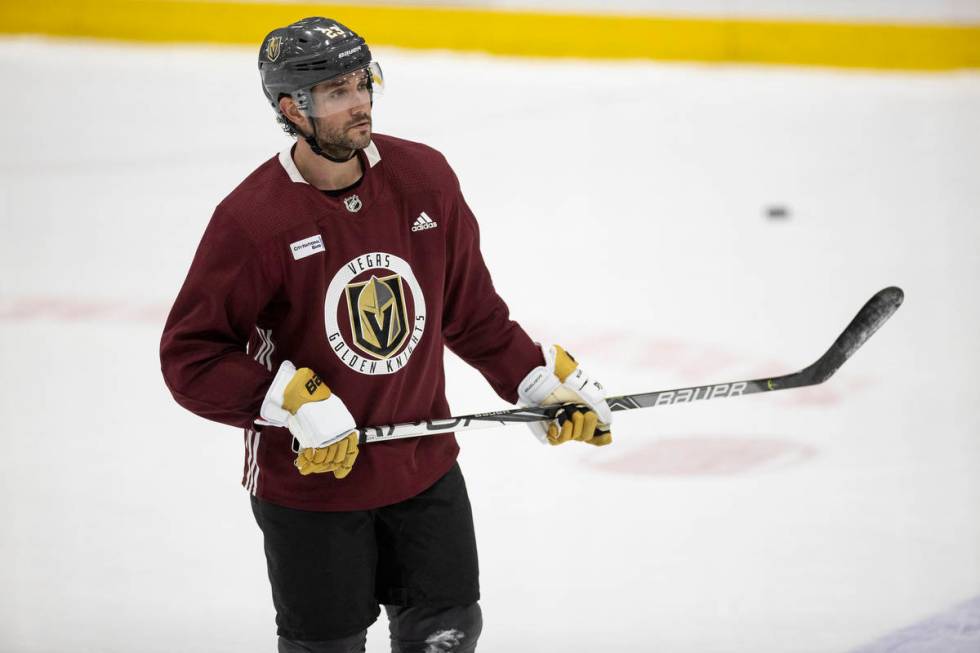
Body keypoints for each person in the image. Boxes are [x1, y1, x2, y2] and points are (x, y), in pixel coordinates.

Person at [159, 16, 613, 653]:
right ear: (293, 108)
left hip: (423, 468)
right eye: (338, 93)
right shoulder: (254, 220)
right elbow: (192, 357)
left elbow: (469, 310)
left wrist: (535, 380)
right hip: (311, 487)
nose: (361, 103)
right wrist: (290, 400)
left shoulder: (423, 178)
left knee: (450, 632)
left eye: (362, 84)